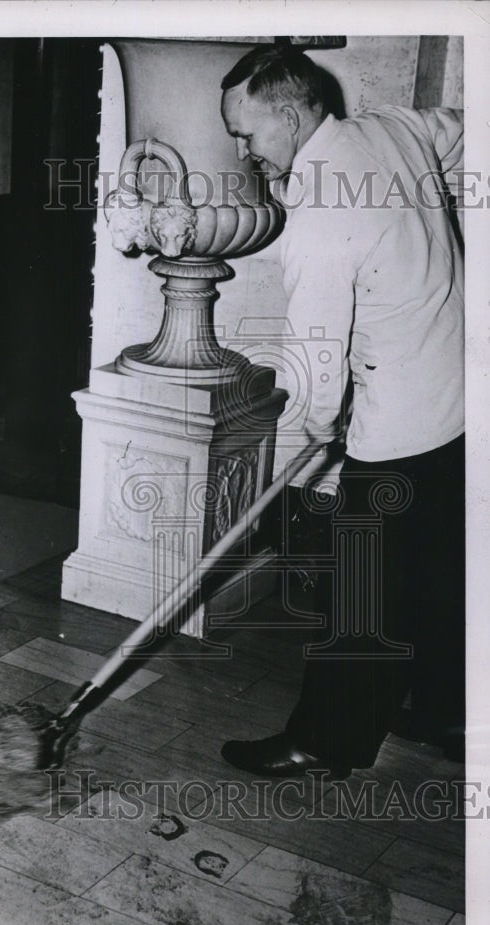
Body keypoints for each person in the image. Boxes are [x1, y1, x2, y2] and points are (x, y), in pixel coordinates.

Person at [219, 45, 465, 778]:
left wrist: (320, 426)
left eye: (248, 133)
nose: (244, 151)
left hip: (405, 420)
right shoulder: (390, 128)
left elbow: (316, 352)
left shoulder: (321, 211)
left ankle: (323, 740)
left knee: (361, 584)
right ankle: (447, 713)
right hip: (462, 396)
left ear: (290, 116)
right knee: (435, 568)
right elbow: (462, 131)